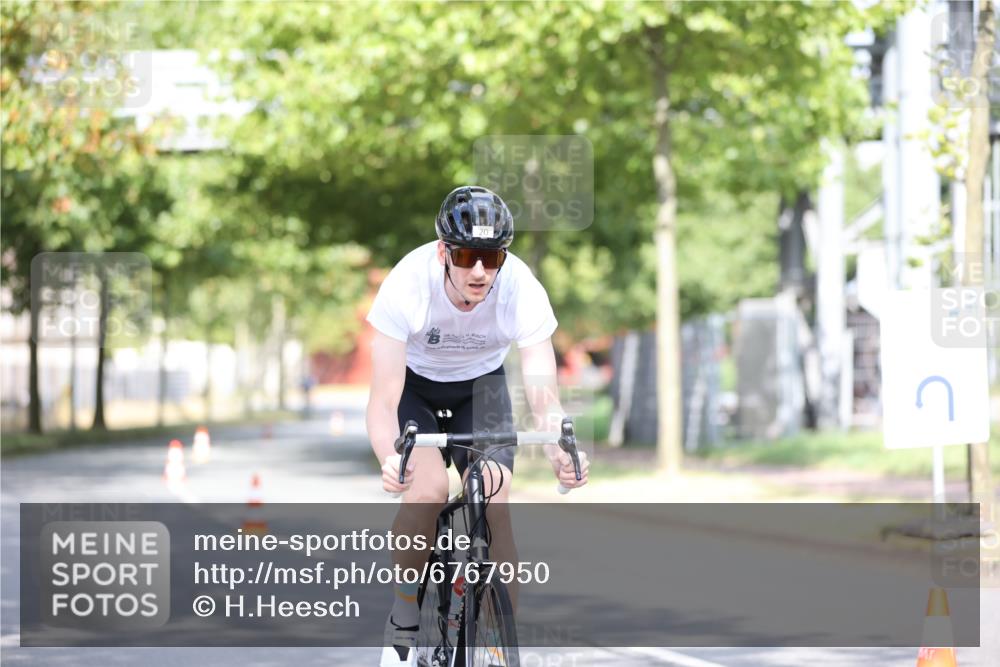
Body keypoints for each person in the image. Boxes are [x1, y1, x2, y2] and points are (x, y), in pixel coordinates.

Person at [365, 185, 590, 666]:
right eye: (467, 256)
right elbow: (383, 400)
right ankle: (405, 609)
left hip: (480, 387)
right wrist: (391, 460)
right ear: (444, 252)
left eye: (492, 257)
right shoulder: (407, 284)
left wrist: (558, 451)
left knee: (494, 493)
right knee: (425, 488)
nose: (480, 271)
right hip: (415, 387)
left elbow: (543, 393)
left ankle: (502, 643)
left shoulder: (520, 288)